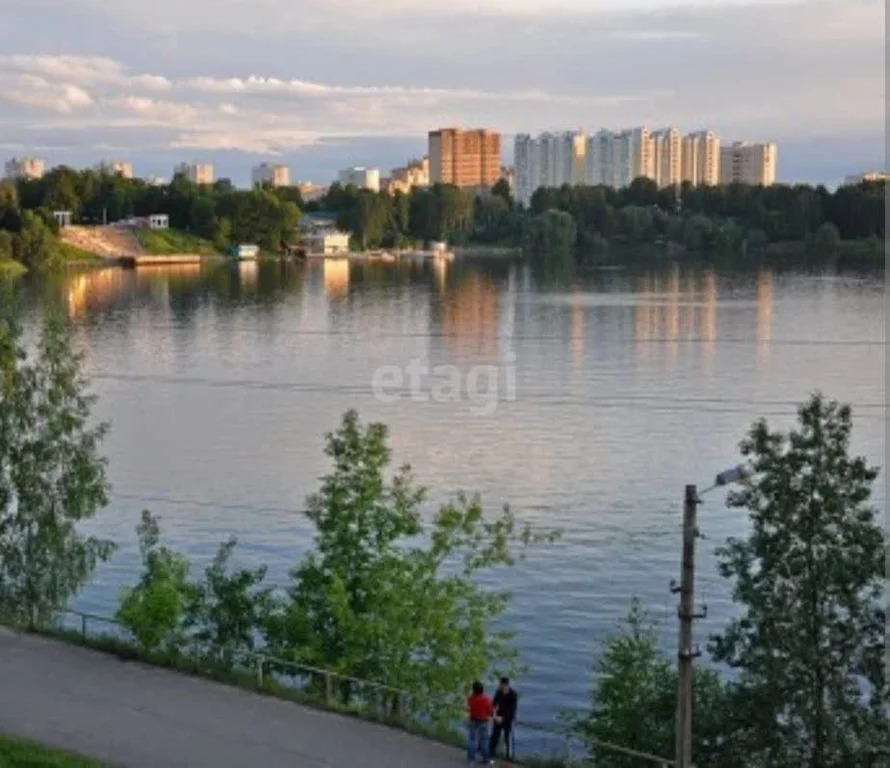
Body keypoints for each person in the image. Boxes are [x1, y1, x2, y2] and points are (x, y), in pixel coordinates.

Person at [489, 677, 518, 760]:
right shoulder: (498, 693)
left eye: (501, 684)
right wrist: (494, 715)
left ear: (505, 684)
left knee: (507, 737)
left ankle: (509, 756)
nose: (500, 686)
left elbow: (513, 709)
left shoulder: (513, 695)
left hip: (508, 719)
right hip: (498, 717)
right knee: (494, 736)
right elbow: (493, 704)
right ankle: (491, 753)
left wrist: (504, 718)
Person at [466, 680, 494, 764]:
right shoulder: (486, 699)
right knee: (484, 741)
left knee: (472, 740)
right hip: (483, 721)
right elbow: (490, 711)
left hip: (473, 720)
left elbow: (469, 707)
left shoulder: (471, 698)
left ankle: (471, 759)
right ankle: (485, 758)